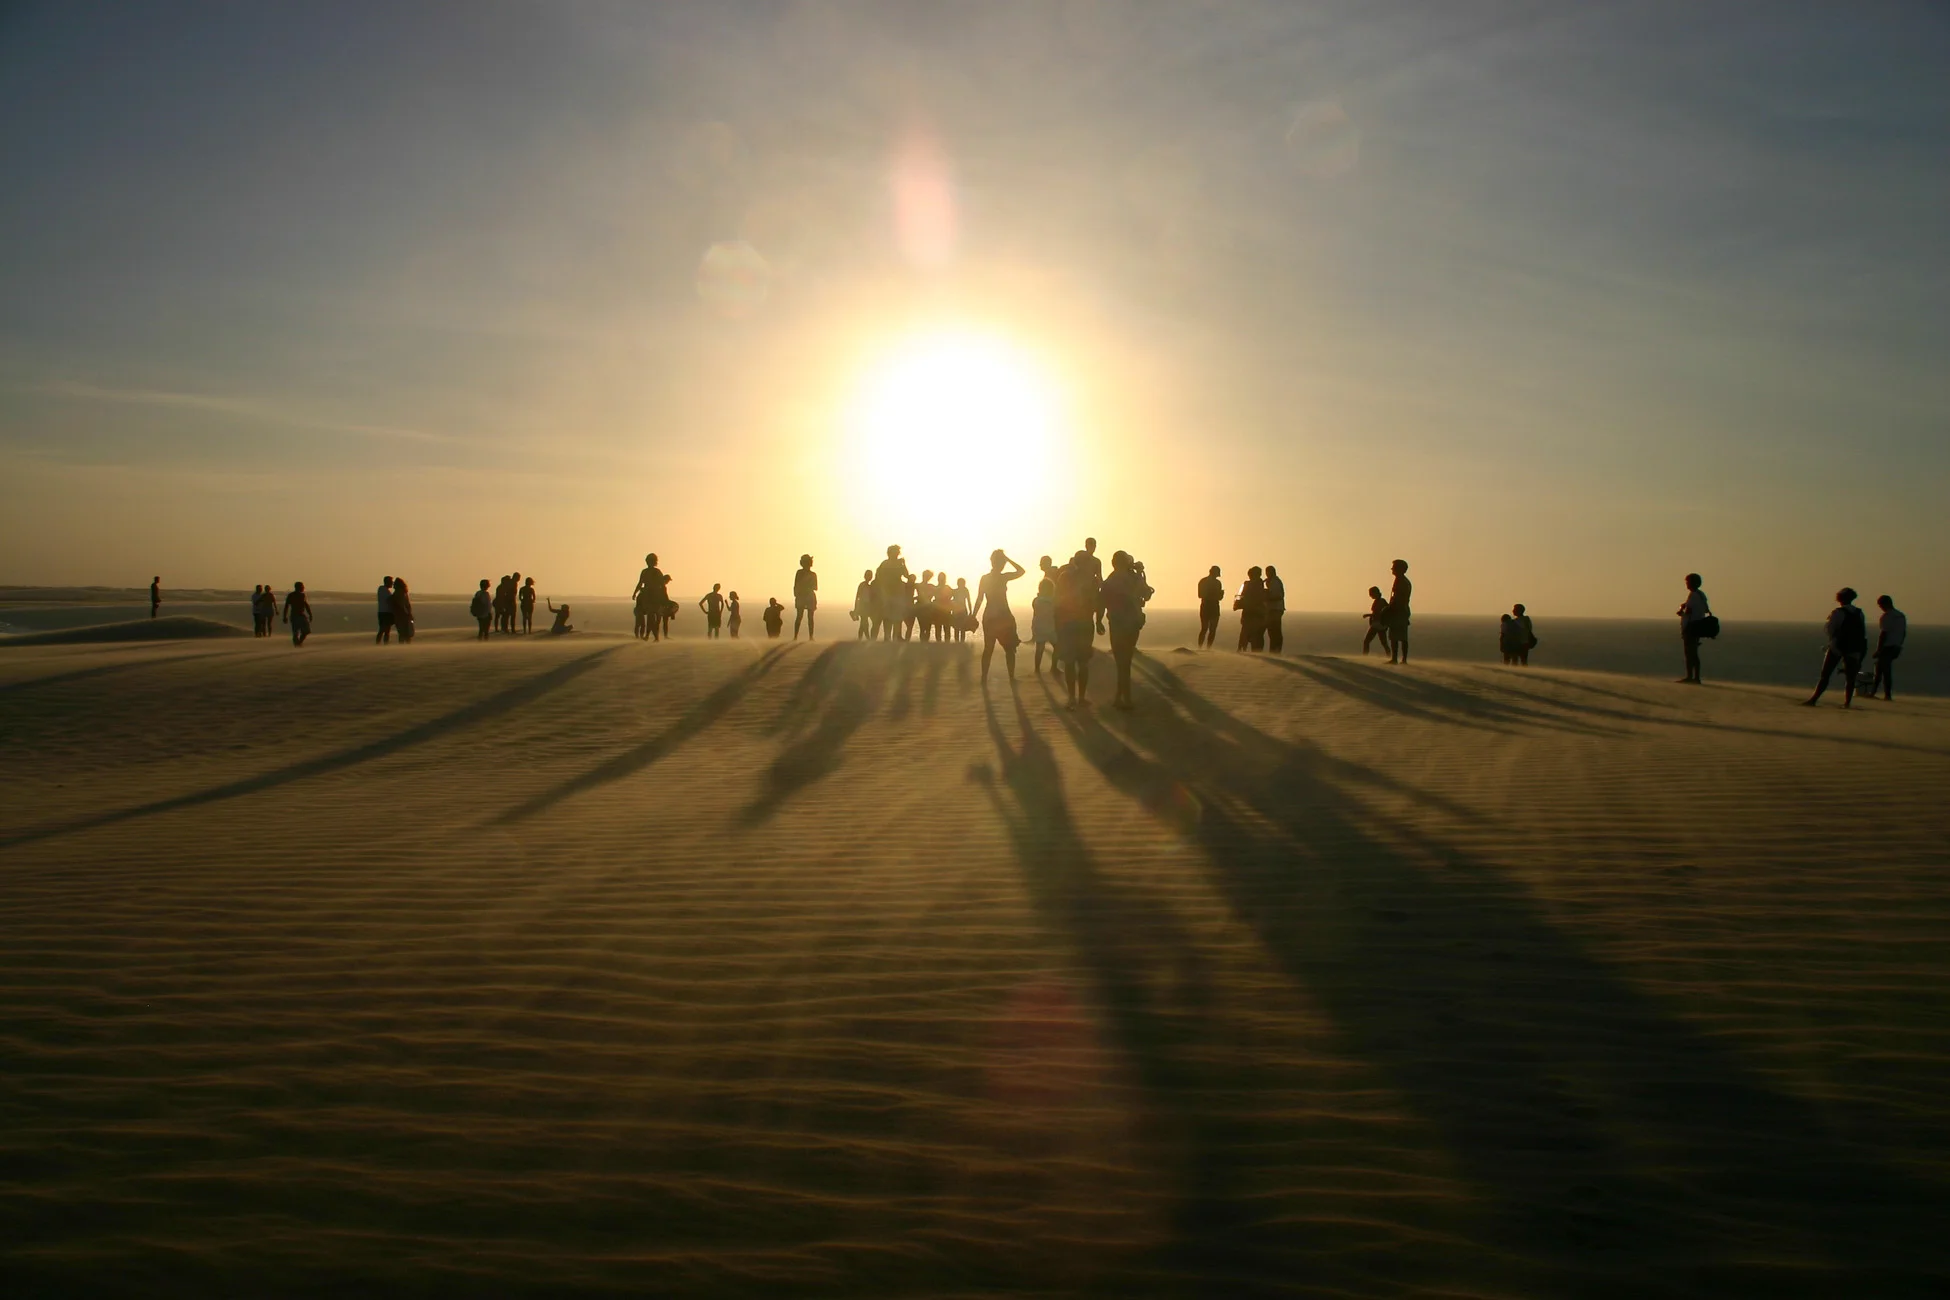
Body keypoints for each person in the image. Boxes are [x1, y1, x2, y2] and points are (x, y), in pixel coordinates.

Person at [1101, 552, 1154, 710]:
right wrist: (1141, 575)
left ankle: (1122, 696)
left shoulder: (1110, 580)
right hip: (1131, 623)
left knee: (1121, 661)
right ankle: (1124, 697)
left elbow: (1102, 601)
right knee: (1126, 660)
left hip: (1116, 623)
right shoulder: (1134, 578)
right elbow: (1146, 594)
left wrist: (1098, 620)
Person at [1053, 549, 1103, 708]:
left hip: (1068, 624)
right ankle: (1080, 697)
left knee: (1070, 662)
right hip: (1084, 624)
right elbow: (1098, 603)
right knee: (1083, 662)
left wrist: (1057, 624)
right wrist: (1099, 620)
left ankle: (1072, 698)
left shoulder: (1065, 577)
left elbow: (1057, 602)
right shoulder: (1092, 580)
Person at [1806, 587, 1869, 708]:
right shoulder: (1859, 612)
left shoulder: (1837, 612)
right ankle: (1847, 702)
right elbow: (1862, 631)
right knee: (1850, 677)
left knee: (1825, 675)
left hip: (1837, 646)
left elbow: (1830, 629)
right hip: (1854, 647)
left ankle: (1814, 699)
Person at [972, 550, 1026, 684]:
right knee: (1009, 649)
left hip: (990, 615)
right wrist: (1008, 558)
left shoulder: (986, 578)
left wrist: (973, 615)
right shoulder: (1003, 577)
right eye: (1002, 562)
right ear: (1001, 563)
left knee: (989, 648)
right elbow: (1021, 571)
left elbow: (979, 599)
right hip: (1003, 615)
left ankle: (984, 678)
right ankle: (1011, 677)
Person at [1869, 595, 1906, 701]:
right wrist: (1899, 644)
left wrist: (1878, 650)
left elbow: (1883, 634)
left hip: (1887, 647)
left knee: (1884, 670)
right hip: (1896, 646)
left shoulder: (1887, 616)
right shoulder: (1900, 616)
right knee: (1880, 669)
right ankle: (1874, 692)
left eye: (1880, 605)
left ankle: (1886, 694)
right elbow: (1903, 632)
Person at [1678, 573, 1711, 683]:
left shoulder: (1693, 595)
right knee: (1694, 653)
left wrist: (1682, 613)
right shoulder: (1701, 595)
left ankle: (1690, 677)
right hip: (1698, 626)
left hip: (1691, 626)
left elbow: (1689, 611)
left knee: (1689, 653)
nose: (1686, 584)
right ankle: (1696, 677)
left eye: (1687, 582)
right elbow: (1705, 609)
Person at [873, 546, 909, 642]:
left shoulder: (899, 564)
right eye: (895, 552)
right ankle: (887, 636)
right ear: (890, 553)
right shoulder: (885, 564)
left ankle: (897, 635)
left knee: (898, 616)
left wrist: (904, 564)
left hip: (898, 593)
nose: (897, 554)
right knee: (888, 616)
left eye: (897, 552)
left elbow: (906, 575)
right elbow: (878, 577)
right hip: (887, 593)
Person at [633, 553, 668, 642]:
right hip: (648, 597)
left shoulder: (656, 572)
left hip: (654, 597)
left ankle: (653, 637)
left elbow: (662, 586)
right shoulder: (645, 572)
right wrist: (635, 593)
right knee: (651, 617)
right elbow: (640, 583)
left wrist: (664, 598)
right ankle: (653, 637)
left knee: (652, 618)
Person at [1386, 560, 1412, 664]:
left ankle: (1397, 659)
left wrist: (1389, 609)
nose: (1392, 569)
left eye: (1394, 567)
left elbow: (1398, 598)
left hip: (1399, 611)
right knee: (1398, 636)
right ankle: (1399, 659)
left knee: (1397, 636)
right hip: (1400, 610)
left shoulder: (1402, 582)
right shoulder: (1401, 580)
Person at [1235, 566, 1267, 652]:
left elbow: (1243, 596)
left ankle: (1242, 649)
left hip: (1252, 611)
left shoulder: (1250, 584)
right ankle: (1247, 650)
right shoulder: (1258, 584)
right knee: (1251, 632)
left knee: (1247, 631)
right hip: (1254, 611)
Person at [1030, 578, 1057, 674]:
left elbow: (1035, 614)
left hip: (1039, 626)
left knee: (1039, 649)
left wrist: (1033, 629)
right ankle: (1054, 668)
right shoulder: (1054, 600)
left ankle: (1037, 669)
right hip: (1051, 627)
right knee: (1057, 647)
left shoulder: (1036, 600)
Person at [1196, 566, 1223, 649]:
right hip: (1207, 606)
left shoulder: (1216, 582)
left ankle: (1207, 648)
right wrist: (1215, 595)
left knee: (1211, 629)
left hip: (1212, 606)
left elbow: (1219, 597)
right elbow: (1200, 595)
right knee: (1206, 628)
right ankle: (1201, 647)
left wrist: (1219, 595)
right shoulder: (1204, 581)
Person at [793, 555, 818, 640]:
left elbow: (796, 585)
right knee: (806, 617)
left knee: (801, 617)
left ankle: (797, 637)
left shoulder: (800, 573)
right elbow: (815, 587)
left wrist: (797, 594)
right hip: (806, 596)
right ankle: (809, 637)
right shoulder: (812, 574)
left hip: (804, 596)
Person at [1263, 564, 1286, 654]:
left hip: (1275, 609)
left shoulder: (1275, 582)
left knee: (1274, 631)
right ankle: (1274, 650)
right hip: (1274, 609)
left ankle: (1275, 650)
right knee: (1273, 631)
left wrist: (1266, 595)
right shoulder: (1273, 581)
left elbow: (1278, 596)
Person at [282, 582, 313, 646]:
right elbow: (286, 606)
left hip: (302, 615)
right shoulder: (291, 595)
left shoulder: (302, 595)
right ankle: (297, 645)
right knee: (295, 632)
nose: (303, 588)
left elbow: (306, 605)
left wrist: (310, 614)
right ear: (298, 587)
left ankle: (299, 643)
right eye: (302, 586)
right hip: (294, 616)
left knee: (306, 631)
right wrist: (284, 616)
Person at [1363, 586, 1391, 657]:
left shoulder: (1380, 601)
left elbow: (1378, 613)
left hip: (1378, 624)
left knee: (1367, 641)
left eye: (1371, 594)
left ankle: (1364, 656)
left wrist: (1368, 615)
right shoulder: (1379, 601)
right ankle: (1389, 656)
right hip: (1379, 624)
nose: (1370, 595)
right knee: (1384, 643)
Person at [390, 577, 415, 642]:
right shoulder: (404, 592)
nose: (393, 584)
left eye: (394, 583)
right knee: (406, 633)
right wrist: (409, 613)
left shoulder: (399, 592)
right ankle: (407, 645)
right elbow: (407, 605)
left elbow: (401, 604)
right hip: (404, 614)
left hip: (401, 615)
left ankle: (403, 645)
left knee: (402, 633)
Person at [853, 570, 875, 640]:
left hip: (867, 606)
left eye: (870, 576)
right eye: (868, 575)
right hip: (862, 605)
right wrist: (856, 608)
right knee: (865, 622)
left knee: (863, 624)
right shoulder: (862, 585)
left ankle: (860, 639)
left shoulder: (870, 586)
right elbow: (857, 597)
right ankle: (868, 638)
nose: (869, 577)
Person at [376, 576, 396, 643]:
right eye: (391, 582)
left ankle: (383, 643)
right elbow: (389, 600)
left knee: (386, 630)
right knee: (383, 629)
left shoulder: (384, 590)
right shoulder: (383, 590)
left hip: (384, 612)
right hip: (385, 612)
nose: (392, 583)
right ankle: (380, 643)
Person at [953, 577, 973, 642]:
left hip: (962, 611)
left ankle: (961, 643)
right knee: (957, 628)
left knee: (962, 628)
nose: (961, 585)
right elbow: (952, 601)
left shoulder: (965, 590)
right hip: (957, 611)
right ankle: (958, 643)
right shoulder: (955, 591)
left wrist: (971, 611)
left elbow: (969, 601)